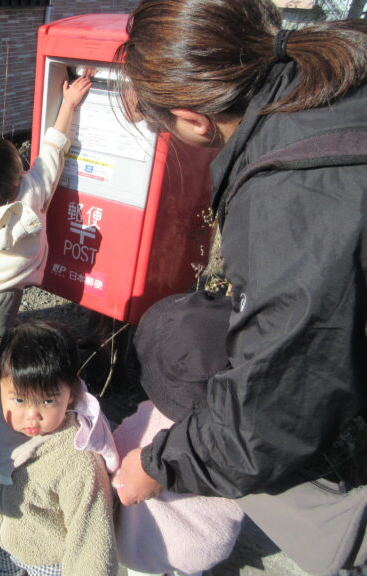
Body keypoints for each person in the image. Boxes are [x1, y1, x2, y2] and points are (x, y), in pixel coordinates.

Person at [112, 1, 367, 573]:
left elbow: (267, 417)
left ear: (196, 118)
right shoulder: (334, 74)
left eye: (163, 125)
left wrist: (156, 465)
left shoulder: (289, 200)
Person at [0, 74, 91, 381]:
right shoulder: (31, 193)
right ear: (17, 176)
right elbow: (54, 149)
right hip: (3, 293)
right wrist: (68, 104)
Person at [0, 319, 118, 576]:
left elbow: (90, 529)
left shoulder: (76, 459)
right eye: (19, 399)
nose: (31, 415)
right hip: (2, 540)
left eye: (47, 400)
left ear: (71, 394)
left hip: (48, 559)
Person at [114, 291, 244, 576]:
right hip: (206, 548)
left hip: (146, 549)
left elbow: (116, 466)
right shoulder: (240, 435)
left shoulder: (145, 422)